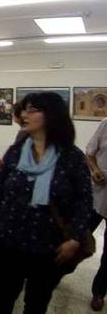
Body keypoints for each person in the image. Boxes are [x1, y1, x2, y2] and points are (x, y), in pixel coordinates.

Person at [0, 92, 93, 314]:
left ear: (51, 116)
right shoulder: (16, 151)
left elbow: (84, 201)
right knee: (2, 297)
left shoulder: (72, 157)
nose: (23, 115)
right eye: (24, 110)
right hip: (9, 241)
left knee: (37, 303)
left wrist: (76, 238)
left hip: (48, 247)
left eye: (32, 110)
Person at [86, 117, 107, 311]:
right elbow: (90, 153)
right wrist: (94, 170)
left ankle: (99, 292)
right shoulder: (105, 124)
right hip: (98, 194)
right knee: (78, 237)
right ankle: (54, 274)